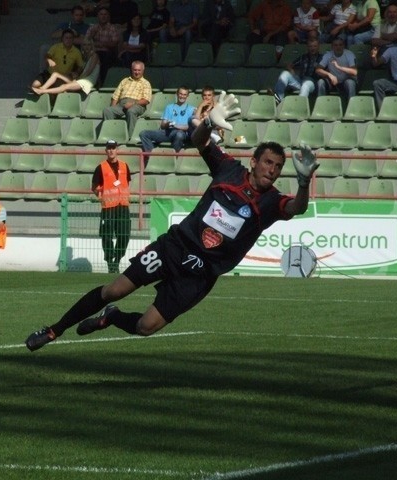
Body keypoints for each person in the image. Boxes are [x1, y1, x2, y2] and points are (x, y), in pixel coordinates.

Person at [24, 92, 319, 352]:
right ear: (254, 162)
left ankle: (111, 317)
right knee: (114, 289)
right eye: (268, 162)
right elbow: (198, 142)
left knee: (145, 327)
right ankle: (53, 330)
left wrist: (304, 182)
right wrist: (207, 123)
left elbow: (296, 207)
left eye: (279, 167)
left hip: (200, 274)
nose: (273, 170)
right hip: (175, 247)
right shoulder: (229, 170)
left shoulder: (270, 202)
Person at [93, 139, 132, 274]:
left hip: (123, 206)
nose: (111, 150)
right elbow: (95, 187)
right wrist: (102, 197)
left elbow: (126, 183)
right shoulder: (101, 167)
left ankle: (117, 260)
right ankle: (110, 263)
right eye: (109, 148)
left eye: (113, 148)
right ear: (106, 150)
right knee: (107, 236)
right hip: (108, 207)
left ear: (117, 150)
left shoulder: (125, 166)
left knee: (124, 235)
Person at [139, 86, 195, 159]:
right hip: (168, 132)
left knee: (179, 134)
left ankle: (174, 158)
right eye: (180, 94)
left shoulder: (191, 109)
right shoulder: (169, 107)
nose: (182, 96)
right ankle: (152, 157)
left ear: (187, 96)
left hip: (182, 133)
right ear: (177, 94)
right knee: (144, 133)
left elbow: (189, 127)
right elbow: (162, 125)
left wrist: (176, 126)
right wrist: (167, 124)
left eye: (184, 94)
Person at [102, 60, 151, 140]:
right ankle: (111, 137)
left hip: (138, 104)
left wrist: (133, 103)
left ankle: (130, 137)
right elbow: (115, 97)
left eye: (139, 70)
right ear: (131, 70)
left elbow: (146, 100)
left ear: (143, 71)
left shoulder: (146, 83)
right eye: (135, 70)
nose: (137, 72)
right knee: (107, 110)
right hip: (121, 104)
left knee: (131, 111)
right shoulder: (124, 81)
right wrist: (113, 108)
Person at [32, 38, 100, 96]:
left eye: (89, 45)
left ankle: (41, 91)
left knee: (64, 86)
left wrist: (77, 79)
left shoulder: (94, 56)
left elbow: (88, 72)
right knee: (55, 74)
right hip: (80, 79)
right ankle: (42, 88)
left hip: (87, 82)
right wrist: (75, 75)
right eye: (85, 45)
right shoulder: (85, 58)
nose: (87, 47)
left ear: (92, 46)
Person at [270, 37, 323, 104]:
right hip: (301, 80)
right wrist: (292, 72)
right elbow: (290, 65)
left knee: (306, 84)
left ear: (318, 47)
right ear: (307, 47)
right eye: (310, 46)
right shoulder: (303, 57)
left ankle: (299, 105)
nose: (312, 48)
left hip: (313, 83)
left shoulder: (322, 58)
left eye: (315, 46)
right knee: (285, 73)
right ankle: (278, 98)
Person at [315, 37, 358, 106]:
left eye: (340, 45)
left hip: (345, 81)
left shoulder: (349, 54)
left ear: (343, 46)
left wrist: (339, 67)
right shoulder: (328, 55)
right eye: (336, 45)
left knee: (350, 83)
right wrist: (329, 75)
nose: (338, 47)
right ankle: (320, 106)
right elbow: (318, 69)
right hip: (333, 82)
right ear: (332, 47)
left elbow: (354, 72)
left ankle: (351, 106)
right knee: (320, 82)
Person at [85, 6, 120, 83]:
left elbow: (114, 43)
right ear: (97, 16)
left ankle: (102, 83)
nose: (103, 16)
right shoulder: (92, 28)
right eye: (101, 14)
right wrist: (95, 38)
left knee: (105, 58)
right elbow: (86, 41)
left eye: (105, 14)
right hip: (94, 52)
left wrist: (99, 44)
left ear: (108, 16)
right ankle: (88, 81)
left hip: (107, 52)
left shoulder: (112, 28)